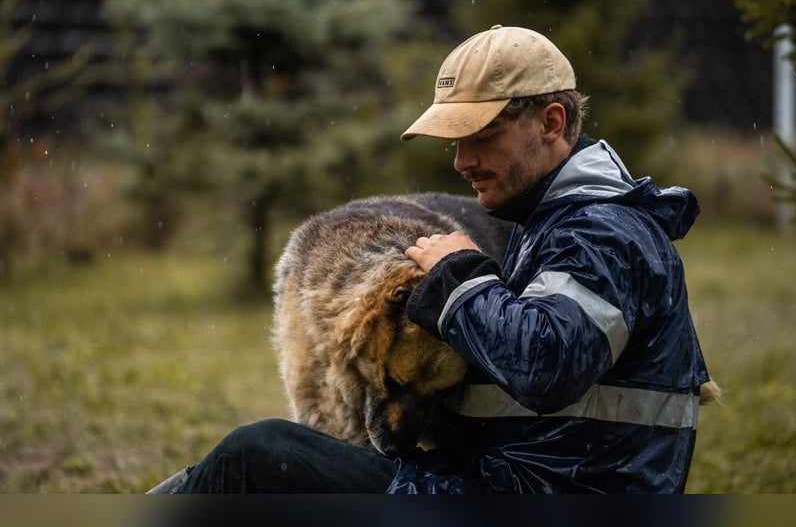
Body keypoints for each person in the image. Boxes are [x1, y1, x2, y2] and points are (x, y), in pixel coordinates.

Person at [149, 24, 716, 494]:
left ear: (551, 123)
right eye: (455, 141)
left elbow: (546, 366)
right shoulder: (552, 223)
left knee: (259, 454)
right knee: (250, 464)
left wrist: (462, 274)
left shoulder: (602, 231)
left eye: (482, 136)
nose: (461, 162)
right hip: (511, 483)